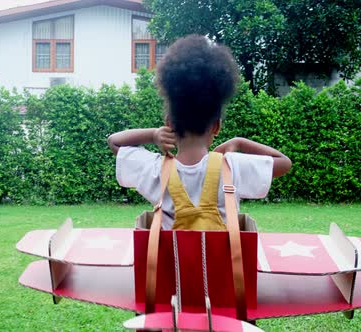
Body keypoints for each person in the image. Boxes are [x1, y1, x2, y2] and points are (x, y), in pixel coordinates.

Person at [108, 34, 291, 230]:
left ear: (169, 123)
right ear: (216, 126)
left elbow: (114, 142)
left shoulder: (155, 170)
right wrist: (238, 142)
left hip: (172, 261)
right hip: (223, 262)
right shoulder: (232, 166)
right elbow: (284, 163)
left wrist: (154, 135)